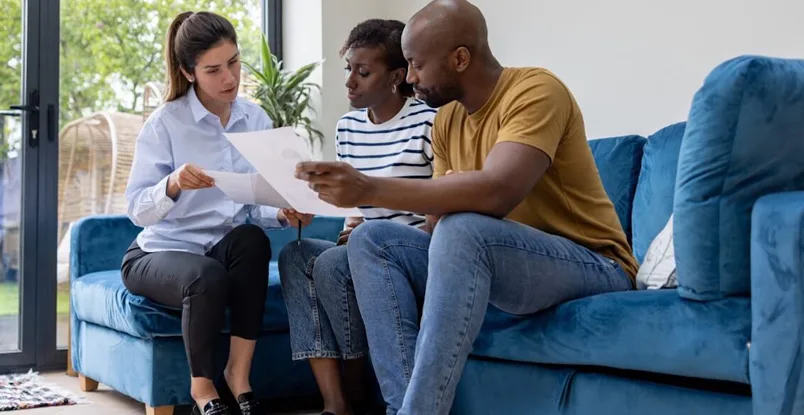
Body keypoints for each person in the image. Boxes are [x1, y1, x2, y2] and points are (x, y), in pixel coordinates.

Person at [293, 1, 639, 413]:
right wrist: (431, 211)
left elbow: (497, 192)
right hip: (499, 263)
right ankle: (402, 404)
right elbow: (439, 221)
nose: (412, 79)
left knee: (465, 229)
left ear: (460, 58)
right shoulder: (446, 121)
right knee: (372, 238)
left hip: (590, 264)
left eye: (417, 66)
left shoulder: (536, 90)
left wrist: (370, 188)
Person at [122, 10, 312, 415]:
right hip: (156, 255)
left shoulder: (254, 119)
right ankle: (202, 390)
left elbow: (250, 199)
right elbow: (137, 210)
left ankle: (238, 377)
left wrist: (283, 213)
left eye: (234, 62)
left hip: (218, 249)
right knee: (206, 274)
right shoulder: (165, 124)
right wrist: (172, 184)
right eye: (214, 70)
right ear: (189, 73)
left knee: (252, 240)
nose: (230, 78)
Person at [277, 18, 436, 415]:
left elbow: (440, 204)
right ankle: (335, 404)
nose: (349, 81)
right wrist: (346, 223)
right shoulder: (347, 128)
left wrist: (364, 233)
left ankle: (358, 384)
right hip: (364, 244)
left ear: (397, 76)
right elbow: (356, 211)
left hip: (412, 250)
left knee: (332, 263)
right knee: (297, 257)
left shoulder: (428, 122)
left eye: (362, 72)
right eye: (348, 68)